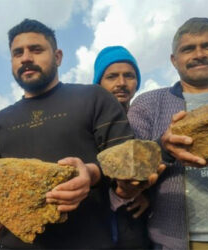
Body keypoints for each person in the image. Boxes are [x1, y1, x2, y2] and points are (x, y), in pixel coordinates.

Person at [0, 19, 163, 249]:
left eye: (36, 50)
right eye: (18, 53)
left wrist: (92, 173)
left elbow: (126, 160)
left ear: (58, 56)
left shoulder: (94, 98)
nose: (26, 57)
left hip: (88, 242)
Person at [128, 17, 208, 249]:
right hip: (180, 240)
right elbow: (128, 167)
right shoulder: (149, 104)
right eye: (188, 49)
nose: (199, 54)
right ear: (174, 60)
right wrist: (163, 148)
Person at [93, 45, 150, 249]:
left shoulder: (146, 122)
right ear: (98, 83)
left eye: (129, 75)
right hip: (95, 226)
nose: (121, 83)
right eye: (112, 76)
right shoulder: (85, 123)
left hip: (135, 226)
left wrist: (147, 195)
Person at [93, 46, 140, 112]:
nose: (122, 83)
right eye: (111, 77)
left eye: (128, 76)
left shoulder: (151, 119)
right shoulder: (84, 120)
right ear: (98, 84)